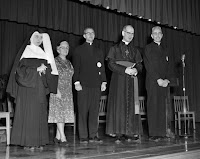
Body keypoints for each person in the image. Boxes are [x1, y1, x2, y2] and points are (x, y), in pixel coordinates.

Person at [6, 31, 58, 150]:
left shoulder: (43, 53)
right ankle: (28, 142)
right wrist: (36, 70)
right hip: (27, 90)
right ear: (30, 38)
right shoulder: (25, 52)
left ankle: (39, 141)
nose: (39, 39)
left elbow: (48, 72)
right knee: (29, 115)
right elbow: (20, 72)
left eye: (40, 37)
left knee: (40, 114)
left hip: (39, 88)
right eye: (36, 37)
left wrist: (45, 71)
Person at [106, 25, 143, 143]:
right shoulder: (115, 48)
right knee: (119, 104)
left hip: (132, 81)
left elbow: (140, 64)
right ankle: (118, 132)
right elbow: (110, 64)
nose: (130, 35)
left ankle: (130, 132)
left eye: (132, 33)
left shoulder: (135, 50)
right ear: (123, 33)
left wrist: (136, 70)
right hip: (119, 80)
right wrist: (125, 70)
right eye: (128, 33)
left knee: (132, 104)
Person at [72, 27, 107, 144]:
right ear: (84, 35)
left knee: (94, 111)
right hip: (83, 85)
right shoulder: (78, 50)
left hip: (96, 85)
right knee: (82, 110)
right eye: (88, 33)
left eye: (92, 33)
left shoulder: (99, 51)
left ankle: (93, 135)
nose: (91, 35)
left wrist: (103, 81)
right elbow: (75, 68)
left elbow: (101, 68)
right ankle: (83, 136)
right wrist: (76, 82)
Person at [143, 26, 173, 141]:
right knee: (153, 107)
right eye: (155, 33)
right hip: (153, 82)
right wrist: (158, 79)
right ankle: (153, 133)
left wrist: (167, 80)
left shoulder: (166, 49)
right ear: (151, 36)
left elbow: (169, 67)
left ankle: (162, 132)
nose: (157, 35)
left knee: (162, 108)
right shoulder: (148, 48)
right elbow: (149, 66)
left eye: (159, 33)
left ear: (162, 35)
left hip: (164, 83)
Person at [48, 41, 74, 146]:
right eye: (63, 47)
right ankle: (63, 137)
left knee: (63, 114)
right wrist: (56, 90)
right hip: (57, 90)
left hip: (67, 91)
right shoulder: (54, 61)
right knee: (59, 113)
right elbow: (51, 77)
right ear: (58, 49)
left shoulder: (69, 62)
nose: (65, 49)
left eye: (67, 47)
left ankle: (57, 136)